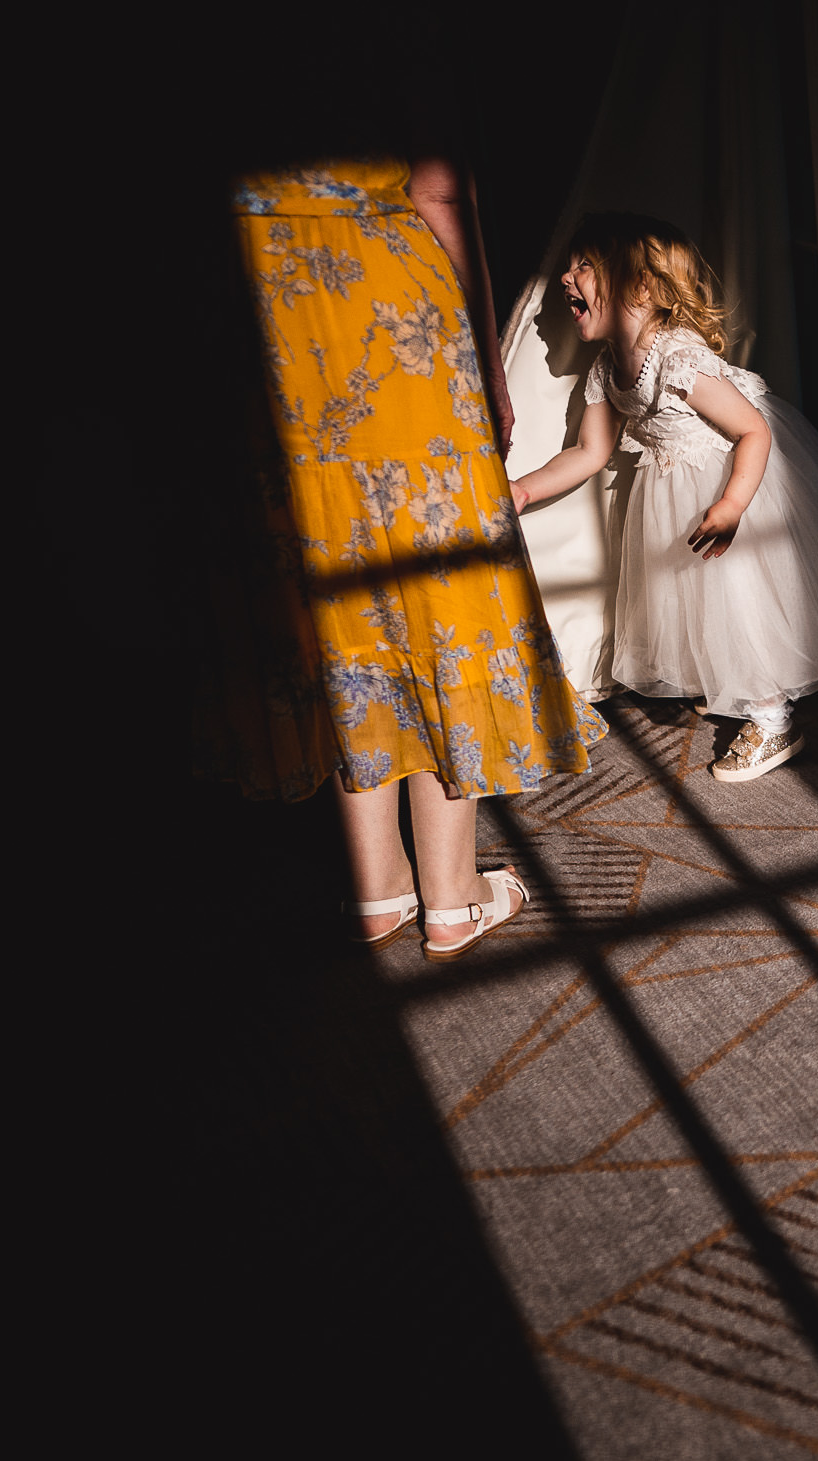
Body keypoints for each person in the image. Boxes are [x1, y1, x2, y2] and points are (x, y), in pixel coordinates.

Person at [199, 155, 608, 962]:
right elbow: (437, 187)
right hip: (388, 315)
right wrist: (487, 360)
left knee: (336, 606)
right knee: (437, 595)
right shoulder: (387, 29)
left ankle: (377, 887)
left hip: (263, 308)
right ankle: (450, 902)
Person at [509, 214, 818, 783]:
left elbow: (754, 431)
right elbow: (590, 452)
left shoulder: (678, 358)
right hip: (674, 484)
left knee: (742, 598)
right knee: (696, 594)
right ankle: (728, 680)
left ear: (640, 287)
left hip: (738, 477)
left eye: (584, 268)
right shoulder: (605, 369)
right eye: (567, 267)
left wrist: (733, 506)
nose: (566, 280)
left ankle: (772, 717)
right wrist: (524, 487)